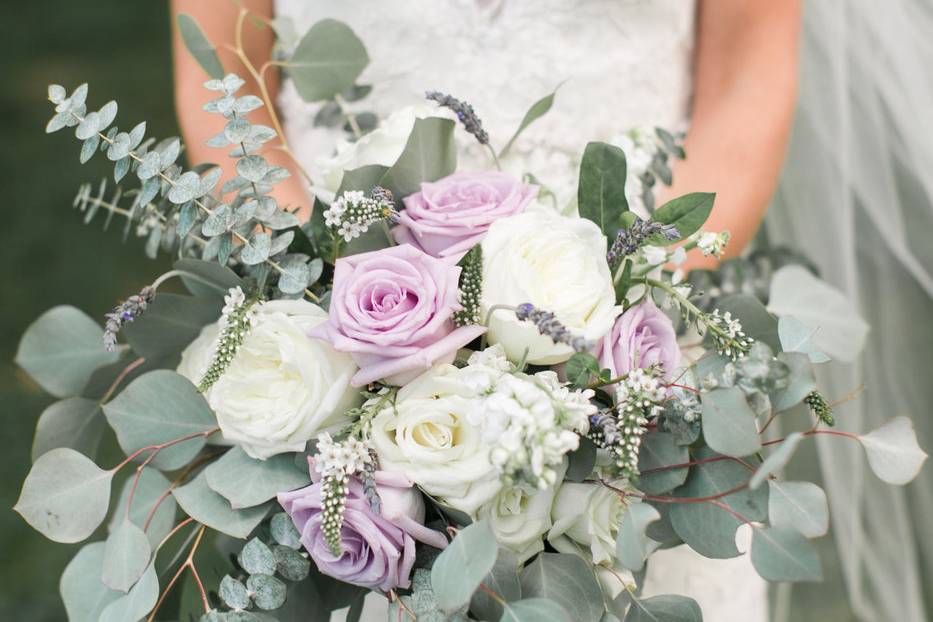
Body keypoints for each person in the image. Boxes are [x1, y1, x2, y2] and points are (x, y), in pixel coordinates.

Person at [170, 2, 931, 621]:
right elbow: (224, 76)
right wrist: (349, 331)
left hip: (627, 384)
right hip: (341, 357)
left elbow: (745, 85)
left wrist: (602, 346)